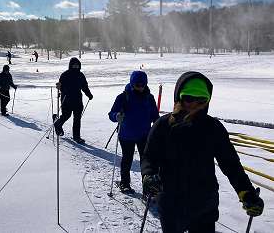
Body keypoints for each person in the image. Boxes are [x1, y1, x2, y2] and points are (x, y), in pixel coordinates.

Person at [141, 72, 264, 233]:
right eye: (189, 98)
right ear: (179, 96)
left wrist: (246, 192)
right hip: (171, 202)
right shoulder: (163, 125)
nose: (193, 104)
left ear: (207, 101)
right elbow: (149, 157)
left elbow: (231, 164)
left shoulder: (213, 128)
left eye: (200, 100)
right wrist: (148, 175)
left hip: (204, 205)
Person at [108, 71, 159, 193]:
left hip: (144, 135)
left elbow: (154, 116)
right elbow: (111, 114)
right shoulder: (123, 97)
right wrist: (116, 116)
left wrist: (159, 127)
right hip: (126, 135)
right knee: (127, 158)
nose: (140, 88)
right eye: (137, 85)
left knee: (146, 162)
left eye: (143, 85)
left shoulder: (149, 98)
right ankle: (125, 183)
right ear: (132, 83)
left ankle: (147, 187)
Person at [54, 57, 93, 144]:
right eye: (74, 65)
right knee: (66, 115)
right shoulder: (65, 75)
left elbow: (84, 87)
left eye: (77, 65)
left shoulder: (81, 75)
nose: (75, 67)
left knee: (77, 119)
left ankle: (76, 137)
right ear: (70, 65)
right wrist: (60, 87)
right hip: (66, 99)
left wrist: (89, 95)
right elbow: (61, 87)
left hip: (78, 100)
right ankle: (58, 123)